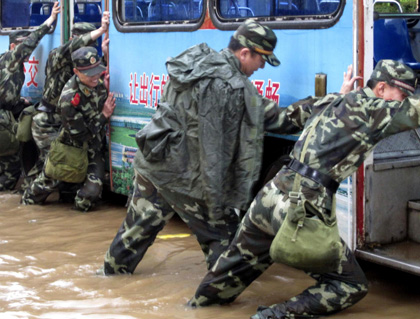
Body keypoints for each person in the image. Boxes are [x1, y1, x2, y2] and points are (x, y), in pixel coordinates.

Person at [101, 20, 340, 275]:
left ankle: (106, 285)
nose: (261, 67)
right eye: (261, 60)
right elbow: (280, 119)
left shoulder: (195, 61)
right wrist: (334, 103)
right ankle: (213, 304)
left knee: (131, 238)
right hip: (187, 179)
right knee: (226, 246)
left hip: (154, 165)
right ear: (245, 53)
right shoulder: (234, 87)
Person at [188, 59, 420, 319]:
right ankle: (271, 317)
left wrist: (340, 98)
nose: (404, 101)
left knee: (221, 282)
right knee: (351, 285)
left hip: (269, 198)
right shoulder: (378, 109)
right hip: (300, 209)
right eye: (403, 94)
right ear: (381, 89)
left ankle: (190, 311)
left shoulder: (332, 99)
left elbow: (287, 118)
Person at [0, 2, 61, 191]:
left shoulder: (8, 63)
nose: (27, 51)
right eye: (21, 46)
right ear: (13, 46)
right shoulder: (11, 57)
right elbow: (31, 41)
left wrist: (19, 101)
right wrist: (50, 19)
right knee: (10, 170)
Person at [20, 12, 110, 194]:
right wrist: (101, 29)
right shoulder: (57, 57)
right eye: (82, 44)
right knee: (58, 169)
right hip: (48, 122)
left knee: (61, 169)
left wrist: (106, 55)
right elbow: (72, 48)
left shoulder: (86, 66)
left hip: (67, 124)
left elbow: (97, 74)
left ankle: (37, 194)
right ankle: (29, 198)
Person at [21, 46, 116, 210]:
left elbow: (102, 74)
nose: (95, 77)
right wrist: (103, 115)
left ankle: (77, 217)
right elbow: (80, 135)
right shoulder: (69, 98)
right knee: (42, 188)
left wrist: (106, 52)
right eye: (89, 73)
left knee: (91, 195)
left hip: (93, 148)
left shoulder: (97, 81)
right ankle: (25, 207)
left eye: (97, 71)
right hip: (70, 148)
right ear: (76, 72)